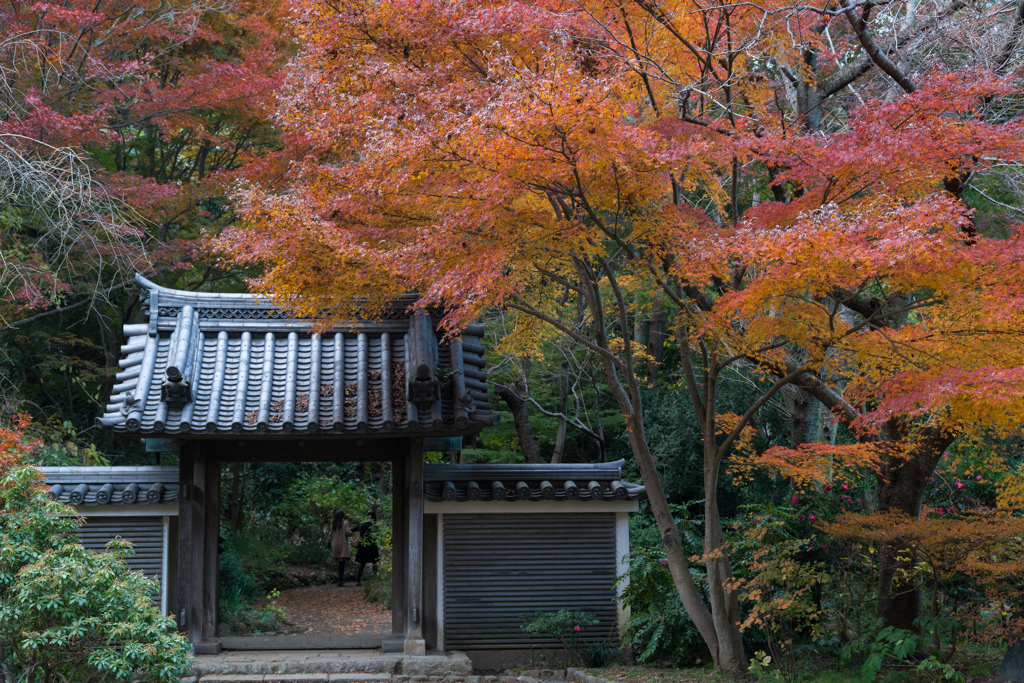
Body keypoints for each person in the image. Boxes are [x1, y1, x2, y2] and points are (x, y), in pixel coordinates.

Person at [353, 510, 380, 585]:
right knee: (375, 563)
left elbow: (352, 530)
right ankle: (375, 580)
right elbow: (378, 535)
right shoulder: (375, 525)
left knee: (362, 564)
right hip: (372, 546)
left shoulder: (362, 525)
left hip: (363, 546)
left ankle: (358, 580)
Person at [328, 509, 352, 586]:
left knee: (339, 562)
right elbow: (347, 532)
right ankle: (340, 580)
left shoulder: (333, 524)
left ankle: (340, 580)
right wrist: (352, 533)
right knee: (342, 563)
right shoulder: (345, 523)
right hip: (342, 544)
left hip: (334, 544)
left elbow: (330, 535)